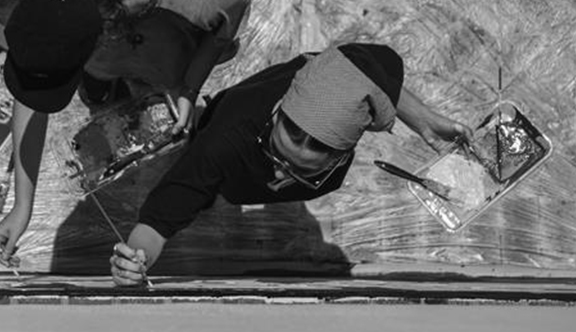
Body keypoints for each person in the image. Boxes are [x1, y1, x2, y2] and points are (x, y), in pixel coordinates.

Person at [108, 43, 472, 285]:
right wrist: (135, 260)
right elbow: (158, 220)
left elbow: (369, 69)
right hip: (231, 139)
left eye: (301, 169)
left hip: (310, 82)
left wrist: (425, 122)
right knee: (203, 179)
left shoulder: (339, 92)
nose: (280, 174)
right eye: (277, 155)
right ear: (274, 118)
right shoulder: (227, 139)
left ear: (341, 154)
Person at [0, 0, 252, 265]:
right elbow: (31, 97)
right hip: (115, 50)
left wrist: (190, 86)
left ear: (102, 36)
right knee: (102, 87)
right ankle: (106, 79)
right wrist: (22, 206)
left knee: (174, 106)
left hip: (168, 44)